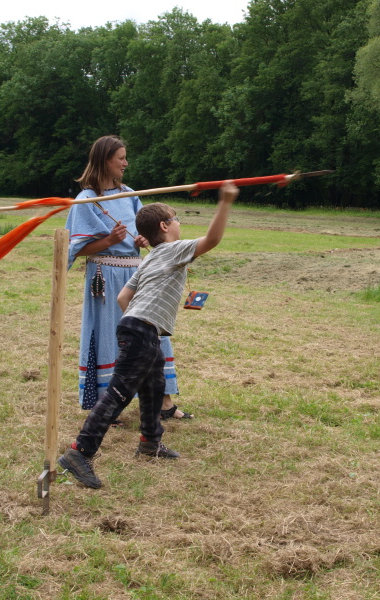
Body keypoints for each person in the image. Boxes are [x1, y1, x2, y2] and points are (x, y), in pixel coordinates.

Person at [58, 181, 240, 488]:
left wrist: (140, 320)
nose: (180, 224)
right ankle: (80, 452)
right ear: (165, 226)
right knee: (119, 393)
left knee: (155, 384)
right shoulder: (173, 250)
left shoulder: (151, 257)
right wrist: (225, 202)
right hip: (142, 330)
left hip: (136, 326)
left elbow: (122, 298)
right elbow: (213, 239)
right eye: (176, 219)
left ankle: (150, 442)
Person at [65, 135, 193, 421]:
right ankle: (107, 406)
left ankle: (164, 402)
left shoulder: (130, 194)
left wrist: (143, 239)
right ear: (104, 160)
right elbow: (75, 249)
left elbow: (147, 231)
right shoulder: (87, 200)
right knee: (112, 336)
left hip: (138, 272)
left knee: (152, 331)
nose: (125, 163)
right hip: (105, 276)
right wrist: (109, 240)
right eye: (120, 158)